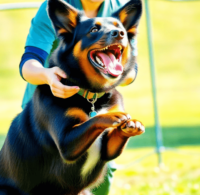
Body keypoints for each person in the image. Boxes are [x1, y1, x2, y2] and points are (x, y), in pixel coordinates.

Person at [18, 0, 138, 194]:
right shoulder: (56, 7)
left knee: (101, 178)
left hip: (97, 110)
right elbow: (29, 63)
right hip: (47, 116)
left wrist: (115, 73)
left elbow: (131, 68)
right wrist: (48, 76)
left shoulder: (121, 7)